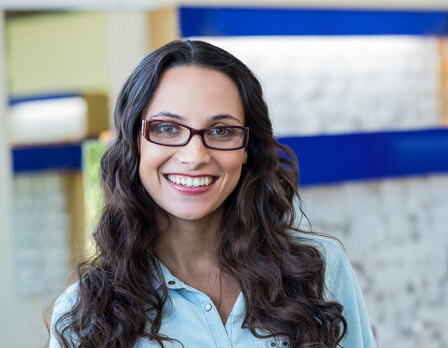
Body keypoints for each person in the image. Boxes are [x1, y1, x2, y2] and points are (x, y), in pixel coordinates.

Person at [48, 40, 376, 348]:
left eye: (221, 131)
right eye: (167, 128)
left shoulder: (320, 269)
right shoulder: (84, 314)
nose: (194, 156)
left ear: (248, 147)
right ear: (135, 142)